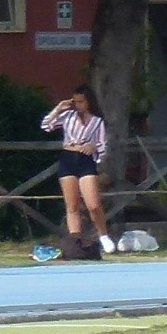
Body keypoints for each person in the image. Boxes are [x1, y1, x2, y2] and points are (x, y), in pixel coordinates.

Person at [41, 85, 110, 249]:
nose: (78, 105)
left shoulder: (97, 121)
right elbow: (45, 125)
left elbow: (102, 145)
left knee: (93, 204)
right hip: (68, 158)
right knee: (72, 205)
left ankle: (103, 235)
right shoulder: (68, 116)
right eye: (76, 102)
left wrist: (93, 147)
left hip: (85, 160)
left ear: (88, 102)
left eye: (81, 102)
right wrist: (58, 109)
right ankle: (76, 241)